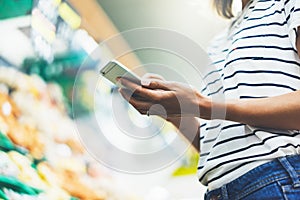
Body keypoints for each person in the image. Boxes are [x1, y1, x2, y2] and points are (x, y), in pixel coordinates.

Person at [118, 0, 300, 199]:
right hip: (218, 191)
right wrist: (175, 113)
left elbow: (210, 108)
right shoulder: (218, 42)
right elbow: (213, 146)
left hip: (279, 178)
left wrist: (203, 105)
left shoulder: (288, 5)